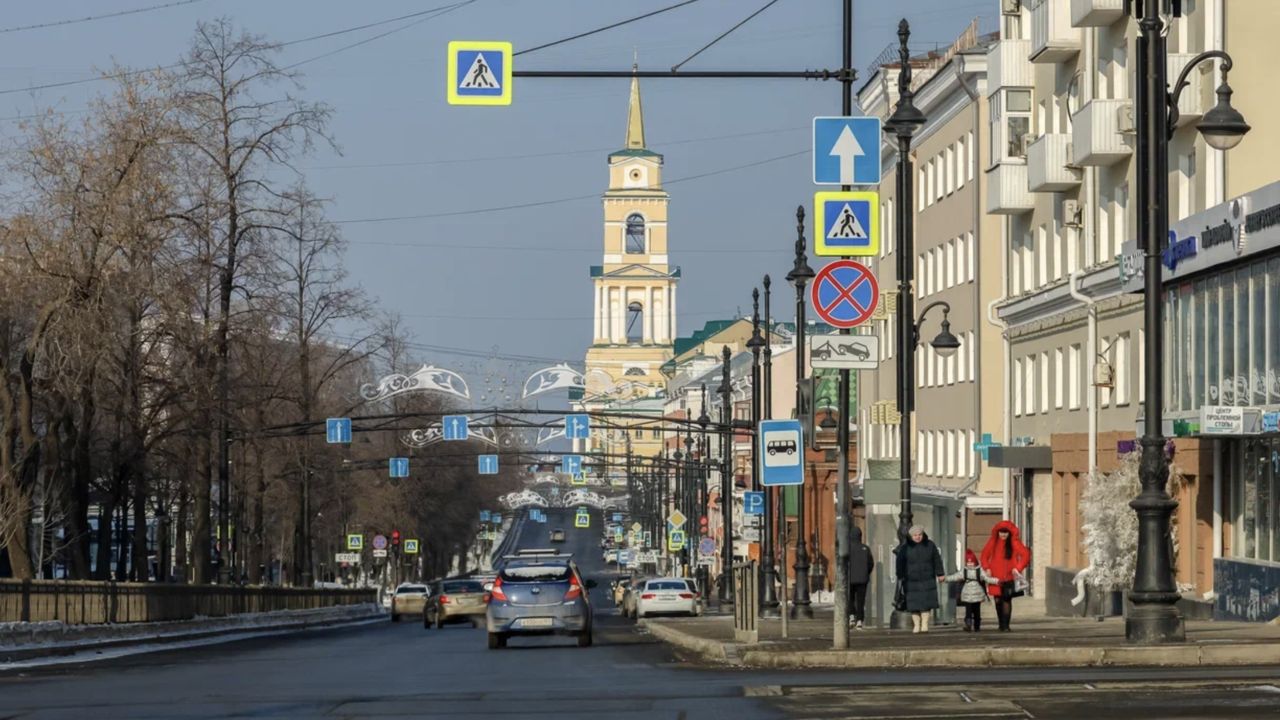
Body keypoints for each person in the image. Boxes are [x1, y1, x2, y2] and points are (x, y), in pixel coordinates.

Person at [980, 520, 1032, 632]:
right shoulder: (993, 542)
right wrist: (986, 567)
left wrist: (1018, 568)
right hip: (995, 577)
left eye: (1006, 533)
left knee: (1007, 600)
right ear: (997, 532)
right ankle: (1001, 624)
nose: (1003, 535)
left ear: (1010, 533)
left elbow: (1026, 554)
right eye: (1001, 532)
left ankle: (1006, 626)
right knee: (998, 601)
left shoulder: (1014, 542)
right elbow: (984, 555)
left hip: (1009, 576)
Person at [895, 525, 945, 633]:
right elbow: (900, 562)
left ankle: (925, 624)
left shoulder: (930, 545)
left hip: (927, 578)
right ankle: (917, 625)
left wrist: (940, 573)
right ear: (911, 536)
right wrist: (900, 575)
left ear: (923, 535)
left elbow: (937, 559)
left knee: (926, 603)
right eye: (915, 535)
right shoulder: (905, 548)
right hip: (911, 580)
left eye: (919, 535)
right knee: (914, 604)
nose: (917, 537)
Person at [945, 550, 996, 632]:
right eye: (968, 563)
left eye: (971, 562)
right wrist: (946, 579)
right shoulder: (965, 571)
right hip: (968, 594)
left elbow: (987, 578)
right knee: (969, 610)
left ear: (975, 562)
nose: (970, 564)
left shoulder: (979, 570)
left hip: (976, 594)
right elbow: (955, 576)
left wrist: (996, 581)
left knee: (976, 611)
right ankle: (970, 624)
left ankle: (975, 625)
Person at [848, 525, 874, 629]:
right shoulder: (865, 548)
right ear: (860, 536)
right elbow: (870, 563)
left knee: (850, 599)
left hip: (850, 578)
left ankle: (851, 616)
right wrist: (865, 573)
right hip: (862, 579)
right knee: (861, 600)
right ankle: (859, 620)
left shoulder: (847, 548)